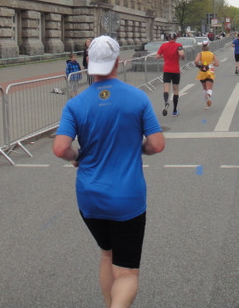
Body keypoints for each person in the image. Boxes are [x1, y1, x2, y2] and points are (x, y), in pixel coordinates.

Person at [53, 36, 165, 308]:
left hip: (90, 196)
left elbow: (60, 148)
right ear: (117, 61)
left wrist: (77, 155)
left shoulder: (76, 103)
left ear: (89, 62)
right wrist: (140, 147)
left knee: (106, 255)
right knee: (126, 272)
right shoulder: (137, 97)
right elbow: (157, 145)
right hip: (127, 197)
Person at [156, 33, 185, 116]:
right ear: (176, 38)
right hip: (175, 70)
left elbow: (157, 56)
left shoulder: (163, 45)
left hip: (166, 70)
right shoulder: (179, 45)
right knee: (175, 90)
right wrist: (183, 57)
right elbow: (181, 54)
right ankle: (174, 111)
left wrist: (163, 56)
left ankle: (166, 102)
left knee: (166, 88)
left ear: (168, 38)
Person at [195, 40, 220, 109]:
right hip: (210, 71)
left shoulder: (200, 54)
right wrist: (211, 64)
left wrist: (199, 65)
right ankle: (209, 95)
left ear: (202, 47)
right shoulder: (212, 54)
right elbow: (217, 64)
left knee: (204, 88)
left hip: (202, 72)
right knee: (209, 88)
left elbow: (196, 61)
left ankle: (206, 103)